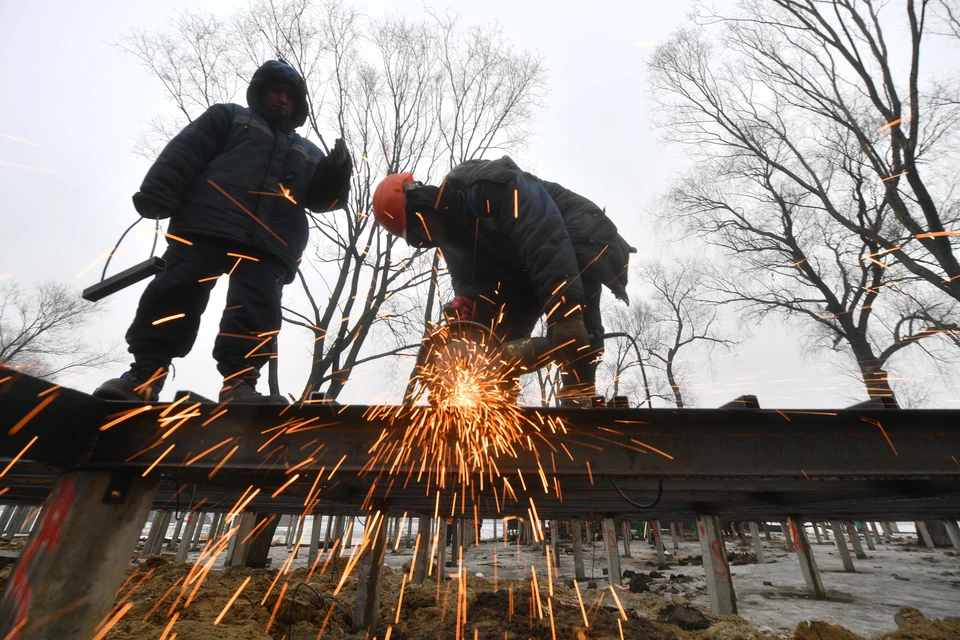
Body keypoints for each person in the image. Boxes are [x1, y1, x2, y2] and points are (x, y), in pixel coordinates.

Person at [94, 60, 352, 404]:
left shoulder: (309, 152)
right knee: (175, 294)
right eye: (275, 90)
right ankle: (144, 375)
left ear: (298, 106)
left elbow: (324, 200)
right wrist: (159, 192)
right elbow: (185, 153)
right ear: (260, 92)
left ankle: (240, 385)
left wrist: (336, 171)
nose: (281, 100)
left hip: (270, 243)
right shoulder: (229, 118)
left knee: (256, 310)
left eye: (290, 96)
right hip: (207, 224)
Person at [372, 156, 635, 403]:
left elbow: (542, 235)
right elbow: (472, 283)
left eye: (423, 224)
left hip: (574, 233)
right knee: (491, 348)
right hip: (522, 266)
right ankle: (492, 400)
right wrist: (470, 306)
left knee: (572, 333)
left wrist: (565, 310)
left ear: (421, 201)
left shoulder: (482, 185)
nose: (429, 234)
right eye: (421, 237)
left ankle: (580, 394)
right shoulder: (449, 238)